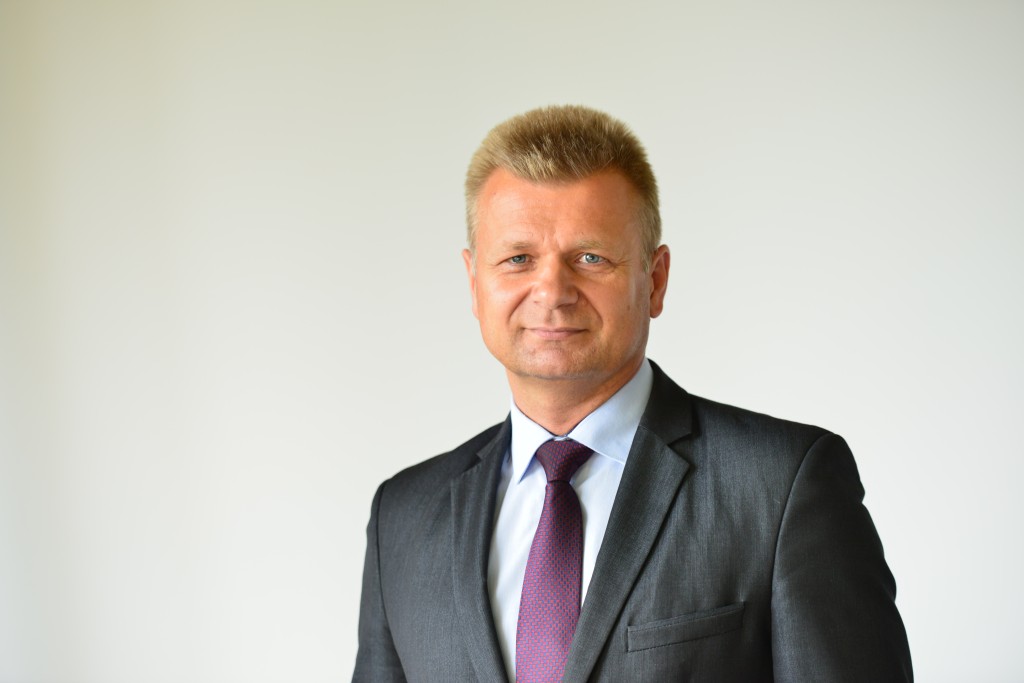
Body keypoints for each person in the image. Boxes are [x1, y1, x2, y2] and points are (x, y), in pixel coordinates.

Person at [352, 105, 912, 682]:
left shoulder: (783, 486)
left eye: (590, 258)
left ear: (656, 280)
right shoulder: (403, 516)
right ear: (474, 284)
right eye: (518, 259)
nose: (552, 291)